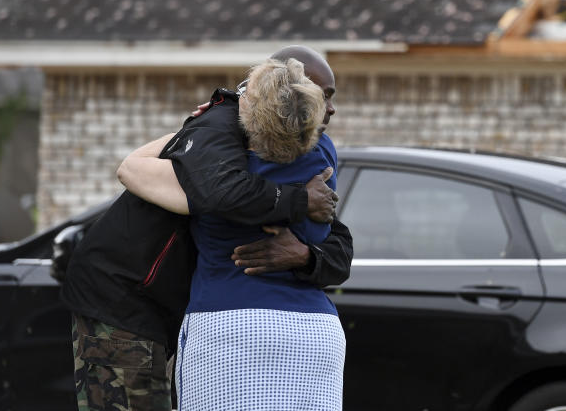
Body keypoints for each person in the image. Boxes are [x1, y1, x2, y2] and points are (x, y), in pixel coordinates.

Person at [61, 45, 352, 411]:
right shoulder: (218, 129)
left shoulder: (308, 153)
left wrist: (306, 256)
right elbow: (215, 193)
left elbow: (339, 245)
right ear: (284, 86)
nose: (328, 107)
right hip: (122, 298)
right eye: (319, 94)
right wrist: (299, 201)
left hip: (174, 307)